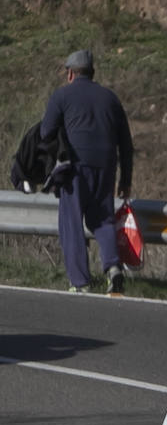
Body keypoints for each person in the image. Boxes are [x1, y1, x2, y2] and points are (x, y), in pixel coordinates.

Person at [40, 49, 133, 295]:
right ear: (92, 73)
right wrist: (126, 179)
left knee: (71, 221)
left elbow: (45, 131)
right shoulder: (110, 98)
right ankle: (113, 269)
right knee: (102, 219)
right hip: (106, 165)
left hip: (75, 167)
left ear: (70, 73)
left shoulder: (62, 96)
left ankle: (80, 282)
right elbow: (126, 142)